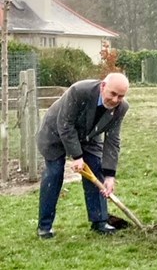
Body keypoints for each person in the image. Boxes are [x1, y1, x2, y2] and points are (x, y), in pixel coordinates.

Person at [36, 73, 130, 239]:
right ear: (103, 86)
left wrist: (110, 175)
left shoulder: (121, 108)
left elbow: (113, 140)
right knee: (54, 174)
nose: (116, 100)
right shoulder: (79, 91)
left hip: (88, 137)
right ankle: (45, 227)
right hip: (55, 132)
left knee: (96, 168)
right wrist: (77, 156)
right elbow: (65, 125)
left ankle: (99, 222)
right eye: (113, 94)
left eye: (120, 96)